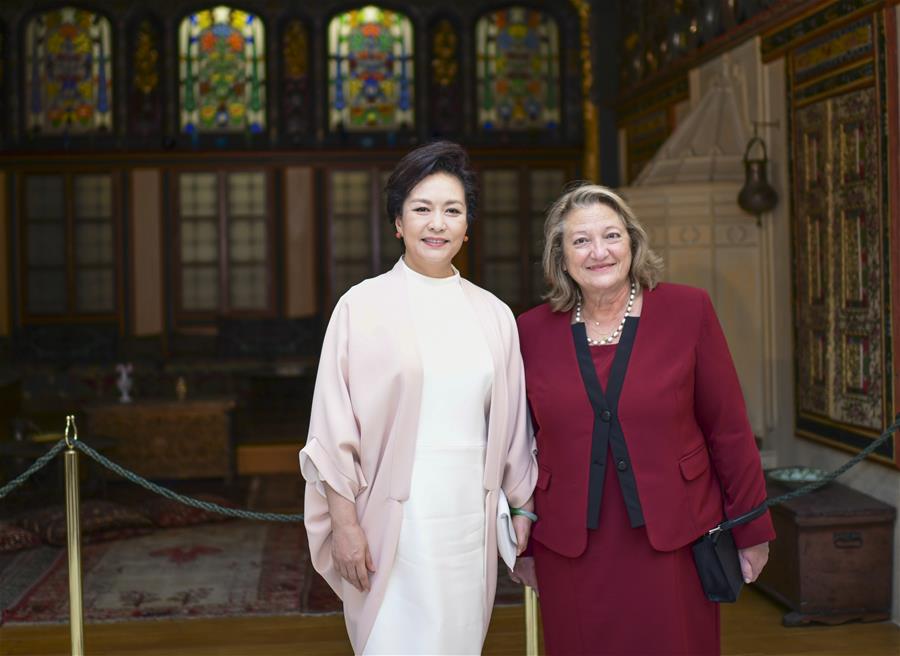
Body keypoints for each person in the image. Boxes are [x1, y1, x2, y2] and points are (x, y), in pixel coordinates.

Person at [513, 184, 774, 655]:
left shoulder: (688, 310)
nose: (599, 252)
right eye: (580, 241)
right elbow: (518, 445)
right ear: (561, 255)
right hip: (570, 545)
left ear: (633, 242)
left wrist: (751, 529)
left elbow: (729, 429)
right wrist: (524, 545)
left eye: (611, 235)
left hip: (676, 538)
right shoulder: (529, 331)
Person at [299, 141, 537, 655]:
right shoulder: (360, 307)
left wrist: (523, 511)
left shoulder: (493, 314)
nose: (437, 223)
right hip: (390, 525)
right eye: (422, 209)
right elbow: (332, 429)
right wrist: (344, 526)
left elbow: (514, 428)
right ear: (398, 222)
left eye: (452, 211)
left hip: (467, 524)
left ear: (468, 226)